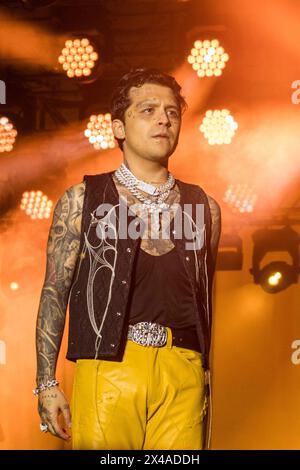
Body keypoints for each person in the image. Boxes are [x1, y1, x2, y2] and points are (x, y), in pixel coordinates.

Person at [35, 68, 221, 450]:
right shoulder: (82, 199)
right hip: (110, 365)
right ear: (118, 127)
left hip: (182, 371)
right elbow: (55, 289)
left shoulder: (206, 208)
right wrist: (47, 383)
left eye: (172, 111)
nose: (163, 119)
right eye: (148, 110)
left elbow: (204, 303)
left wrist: (206, 379)